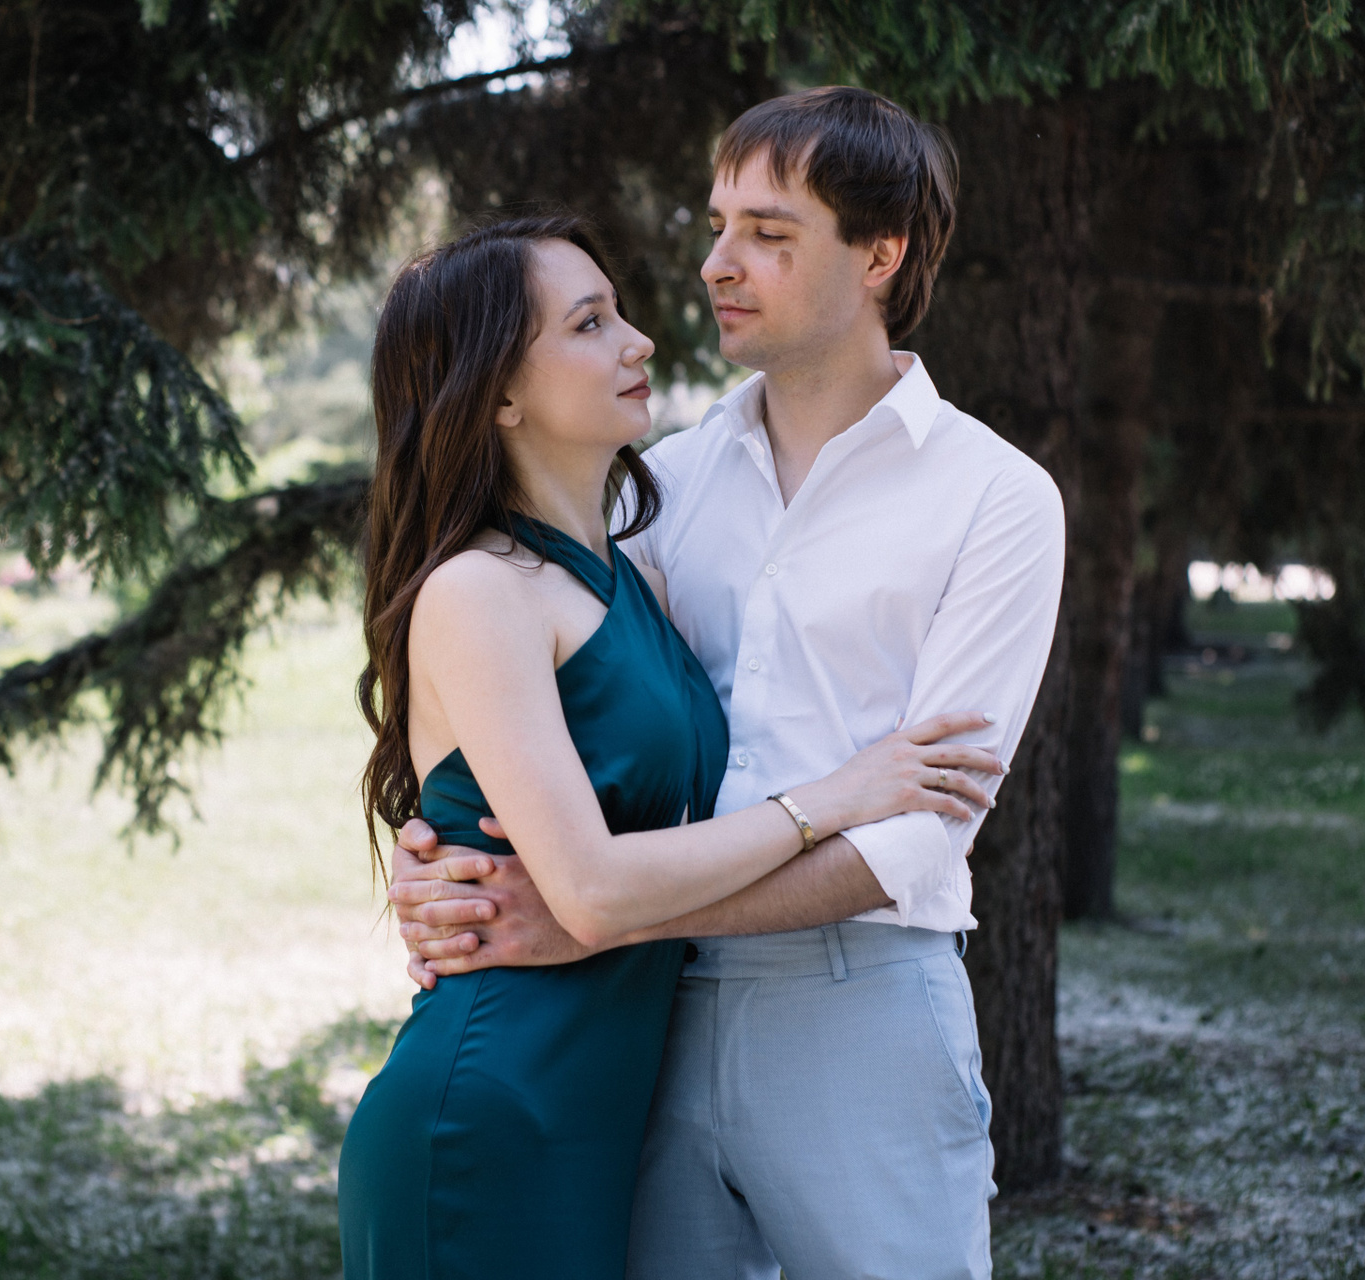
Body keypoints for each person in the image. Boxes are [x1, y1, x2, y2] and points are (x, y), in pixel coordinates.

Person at [387, 88, 1067, 1279]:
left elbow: (917, 834)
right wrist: (436, 854)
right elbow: (545, 692)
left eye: (769, 232)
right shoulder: (666, 483)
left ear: (880, 254)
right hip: (640, 1023)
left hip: (854, 1003)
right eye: (718, 225)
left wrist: (594, 910)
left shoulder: (996, 498)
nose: (717, 264)